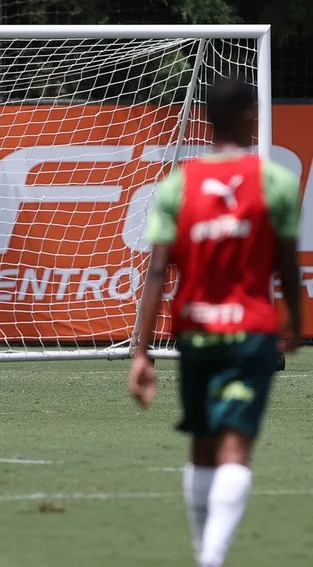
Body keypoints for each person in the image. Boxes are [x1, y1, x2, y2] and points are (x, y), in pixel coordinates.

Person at [129, 78, 301, 567]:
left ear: (206, 117)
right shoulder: (275, 182)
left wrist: (140, 353)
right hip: (252, 332)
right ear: (250, 114)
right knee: (235, 446)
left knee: (204, 446)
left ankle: (207, 555)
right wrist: (295, 322)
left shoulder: (179, 185)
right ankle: (212, 557)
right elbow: (286, 265)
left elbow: (158, 270)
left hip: (197, 332)